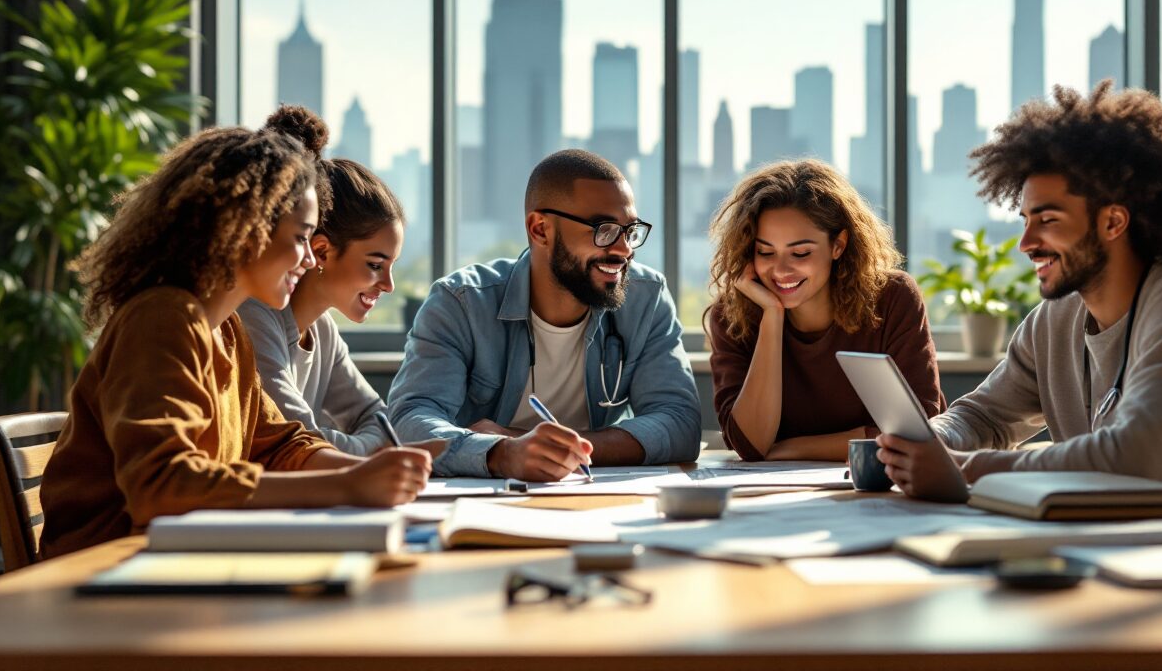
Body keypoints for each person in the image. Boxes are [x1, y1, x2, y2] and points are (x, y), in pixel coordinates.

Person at [877, 81, 1162, 563]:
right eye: (1024, 218)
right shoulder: (1058, 316)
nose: (1026, 242)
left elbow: (1132, 458)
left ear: (1113, 222)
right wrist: (929, 444)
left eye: (1047, 219)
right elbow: (983, 416)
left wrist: (967, 470)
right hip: (1133, 562)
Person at [39, 122, 432, 559]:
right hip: (103, 573)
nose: (307, 258)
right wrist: (347, 484)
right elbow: (160, 485)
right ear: (245, 230)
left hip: (178, 561)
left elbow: (281, 445)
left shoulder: (227, 331)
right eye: (301, 237)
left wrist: (369, 474)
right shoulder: (162, 319)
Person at [388, 149, 700, 481]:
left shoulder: (646, 298)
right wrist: (503, 454)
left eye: (629, 230)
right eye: (604, 229)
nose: (624, 249)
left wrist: (561, 448)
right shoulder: (461, 303)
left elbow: (679, 421)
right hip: (486, 504)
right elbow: (409, 421)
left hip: (594, 497)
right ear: (540, 230)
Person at [706, 159, 943, 461]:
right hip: (779, 496)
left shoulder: (893, 297)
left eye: (801, 252)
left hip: (890, 486)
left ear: (838, 245)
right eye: (765, 252)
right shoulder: (732, 317)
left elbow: (916, 426)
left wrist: (793, 449)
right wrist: (773, 315)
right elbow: (751, 444)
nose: (780, 270)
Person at [237, 105, 440, 456]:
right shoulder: (254, 318)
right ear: (322, 251)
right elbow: (301, 443)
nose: (389, 285)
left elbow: (379, 421)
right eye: (376, 264)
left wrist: (358, 446)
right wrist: (368, 450)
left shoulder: (323, 330)